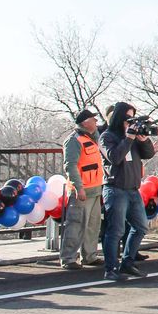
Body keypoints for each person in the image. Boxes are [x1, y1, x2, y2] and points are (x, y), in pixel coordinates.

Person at [98, 102, 157, 281]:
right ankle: (110, 268)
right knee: (115, 230)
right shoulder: (107, 136)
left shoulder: (132, 136)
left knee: (140, 227)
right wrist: (128, 138)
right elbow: (115, 157)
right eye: (127, 119)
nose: (129, 123)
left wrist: (143, 139)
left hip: (133, 189)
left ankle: (128, 262)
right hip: (115, 188)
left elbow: (148, 154)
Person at [59, 109, 106, 269]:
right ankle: (69, 258)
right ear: (86, 122)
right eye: (93, 120)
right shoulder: (74, 140)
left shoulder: (91, 138)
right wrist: (79, 188)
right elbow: (70, 166)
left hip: (95, 189)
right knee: (76, 224)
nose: (96, 122)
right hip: (82, 191)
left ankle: (90, 255)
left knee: (93, 225)